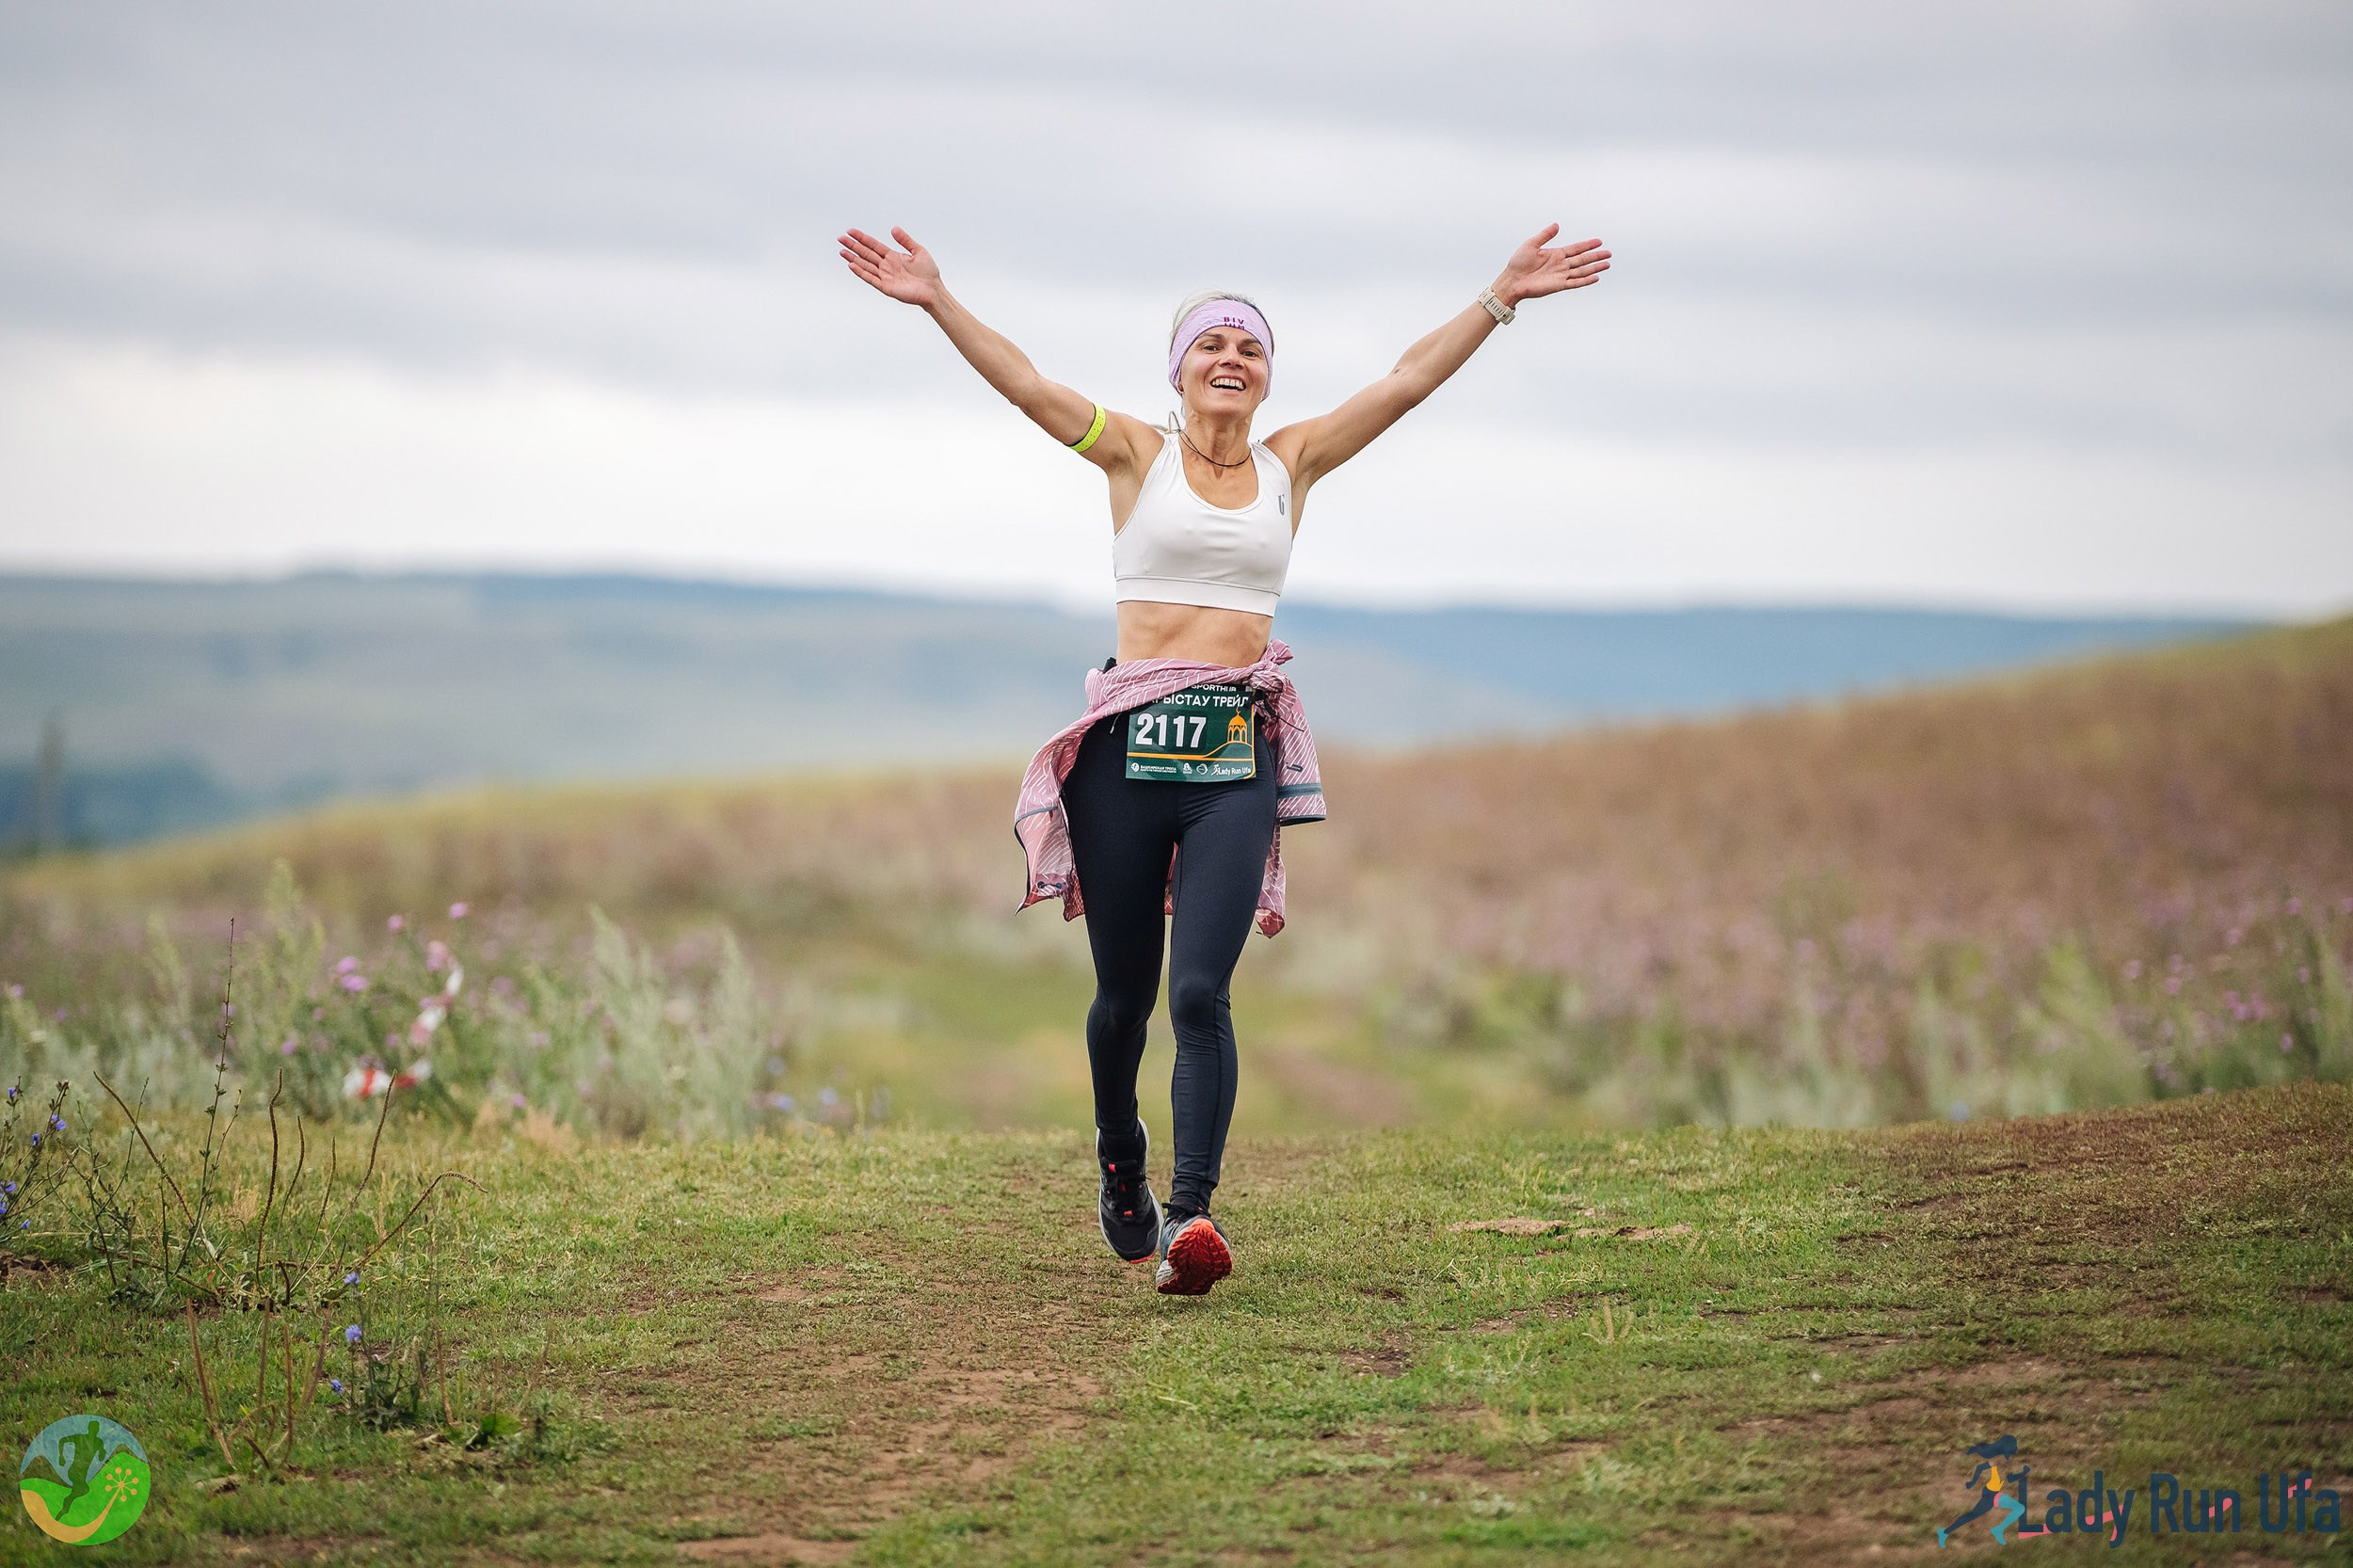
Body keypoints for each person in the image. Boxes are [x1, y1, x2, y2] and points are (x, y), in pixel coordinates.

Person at [838, 221, 1610, 1294]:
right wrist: (937, 300)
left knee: (1202, 994)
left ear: (1264, 376)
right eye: (1212, 345)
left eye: (1249, 347)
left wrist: (1499, 297)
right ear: (1180, 370)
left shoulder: (1295, 460)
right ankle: (1122, 1164)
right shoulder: (1132, 455)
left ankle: (1188, 1222)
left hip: (1231, 764)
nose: (1232, 360)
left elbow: (1404, 383)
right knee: (1125, 1000)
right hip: (1123, 759)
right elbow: (1024, 383)